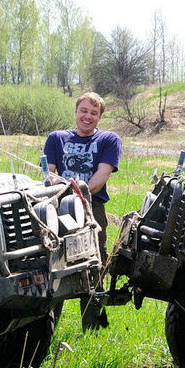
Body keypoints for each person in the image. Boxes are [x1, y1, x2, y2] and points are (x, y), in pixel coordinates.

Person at [44, 91, 121, 331]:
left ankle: (93, 328)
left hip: (91, 207)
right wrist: (61, 189)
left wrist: (78, 191)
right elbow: (49, 174)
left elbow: (100, 178)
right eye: (84, 111)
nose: (87, 117)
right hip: (57, 205)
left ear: (99, 117)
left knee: (94, 262)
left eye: (93, 113)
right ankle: (48, 327)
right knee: (53, 259)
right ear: (76, 112)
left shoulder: (109, 140)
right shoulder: (56, 138)